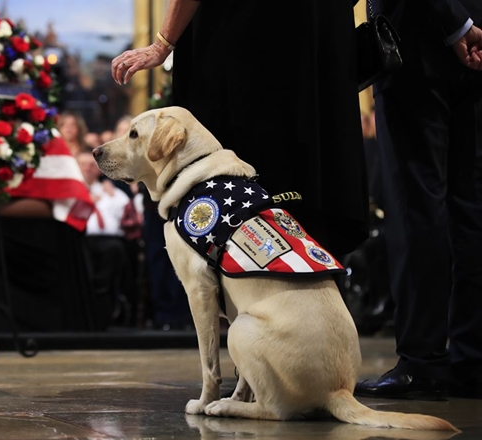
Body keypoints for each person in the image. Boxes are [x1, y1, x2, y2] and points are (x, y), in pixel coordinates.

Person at [111, 0, 369, 261]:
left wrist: (162, 44)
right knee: (313, 212)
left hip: (247, 51)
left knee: (237, 217)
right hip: (319, 47)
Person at [354, 1, 482, 400]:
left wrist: (454, 23)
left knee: (415, 205)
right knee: (473, 207)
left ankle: (423, 362)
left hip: (416, 42)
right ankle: (472, 361)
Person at [76, 151, 133, 330]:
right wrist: (84, 200)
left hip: (109, 243)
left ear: (99, 169)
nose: (87, 168)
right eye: (83, 164)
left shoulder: (113, 193)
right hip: (81, 240)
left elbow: (126, 218)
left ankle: (106, 314)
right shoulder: (71, 193)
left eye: (92, 165)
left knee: (114, 258)